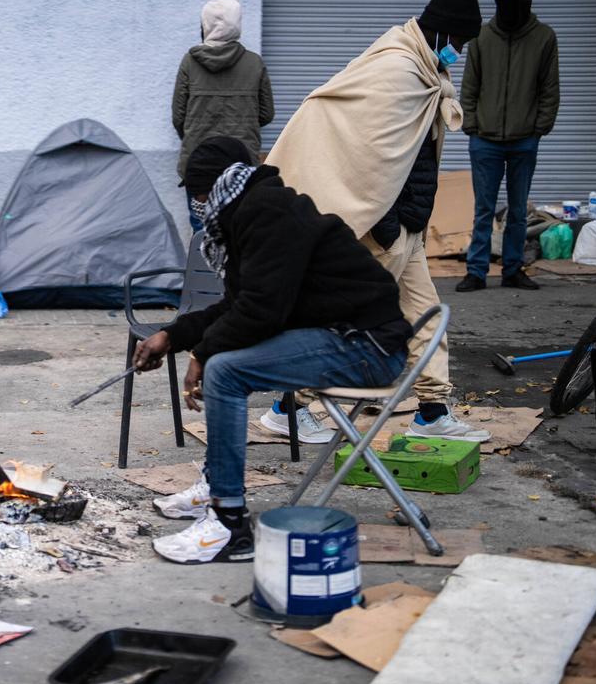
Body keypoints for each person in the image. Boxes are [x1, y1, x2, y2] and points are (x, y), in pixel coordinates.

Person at [135, 137, 412, 564]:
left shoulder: (267, 213)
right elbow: (237, 304)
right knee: (223, 362)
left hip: (366, 346)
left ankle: (229, 525)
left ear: (222, 185)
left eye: (200, 195)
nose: (198, 205)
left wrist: (203, 354)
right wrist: (173, 337)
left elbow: (262, 310)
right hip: (343, 336)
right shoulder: (249, 213)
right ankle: (217, 484)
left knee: (226, 370)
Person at [262, 0, 489, 443]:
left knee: (427, 315)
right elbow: (365, 152)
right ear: (444, 33)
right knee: (346, 323)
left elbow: (405, 154)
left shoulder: (425, 71)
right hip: (381, 228)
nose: (459, 53)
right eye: (459, 43)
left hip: (406, 225)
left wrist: (409, 225)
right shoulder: (398, 70)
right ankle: (288, 407)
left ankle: (432, 410)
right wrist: (383, 224)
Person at [458, 0, 559, 292]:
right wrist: (471, 125)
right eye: (502, 1)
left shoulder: (544, 38)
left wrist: (539, 128)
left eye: (513, 1)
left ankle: (513, 270)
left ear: (525, 2)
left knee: (517, 210)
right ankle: (476, 271)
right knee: (483, 210)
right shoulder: (482, 38)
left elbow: (549, 88)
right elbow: (469, 86)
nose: (506, 7)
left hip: (524, 140)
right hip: (484, 140)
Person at [172, 0, 275, 232]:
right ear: (236, 24)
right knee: (240, 227)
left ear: (205, 25)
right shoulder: (254, 63)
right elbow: (267, 114)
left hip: (199, 163)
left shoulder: (190, 62)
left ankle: (203, 268)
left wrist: (196, 139)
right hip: (241, 164)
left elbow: (178, 117)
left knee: (202, 228)